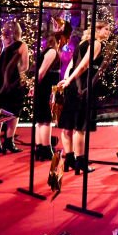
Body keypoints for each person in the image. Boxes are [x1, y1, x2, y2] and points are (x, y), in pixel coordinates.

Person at [58, 21, 110, 174]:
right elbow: (82, 66)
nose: (108, 32)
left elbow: (73, 65)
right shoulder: (96, 43)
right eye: (106, 29)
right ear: (97, 29)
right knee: (80, 127)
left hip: (73, 85)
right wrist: (68, 80)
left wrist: (67, 79)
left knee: (68, 125)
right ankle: (80, 161)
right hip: (83, 87)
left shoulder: (83, 43)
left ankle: (69, 159)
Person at [33, 21, 71, 162]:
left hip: (44, 87)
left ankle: (40, 147)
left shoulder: (49, 51)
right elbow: (41, 72)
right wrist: (35, 86)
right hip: (46, 88)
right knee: (46, 120)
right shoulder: (52, 52)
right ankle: (46, 147)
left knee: (41, 120)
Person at [0, 20, 29, 154]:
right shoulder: (20, 45)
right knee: (12, 111)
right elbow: (26, 66)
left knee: (2, 110)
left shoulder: (1, 43)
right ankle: (7, 141)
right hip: (11, 81)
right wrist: (15, 69)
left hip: (1, 81)